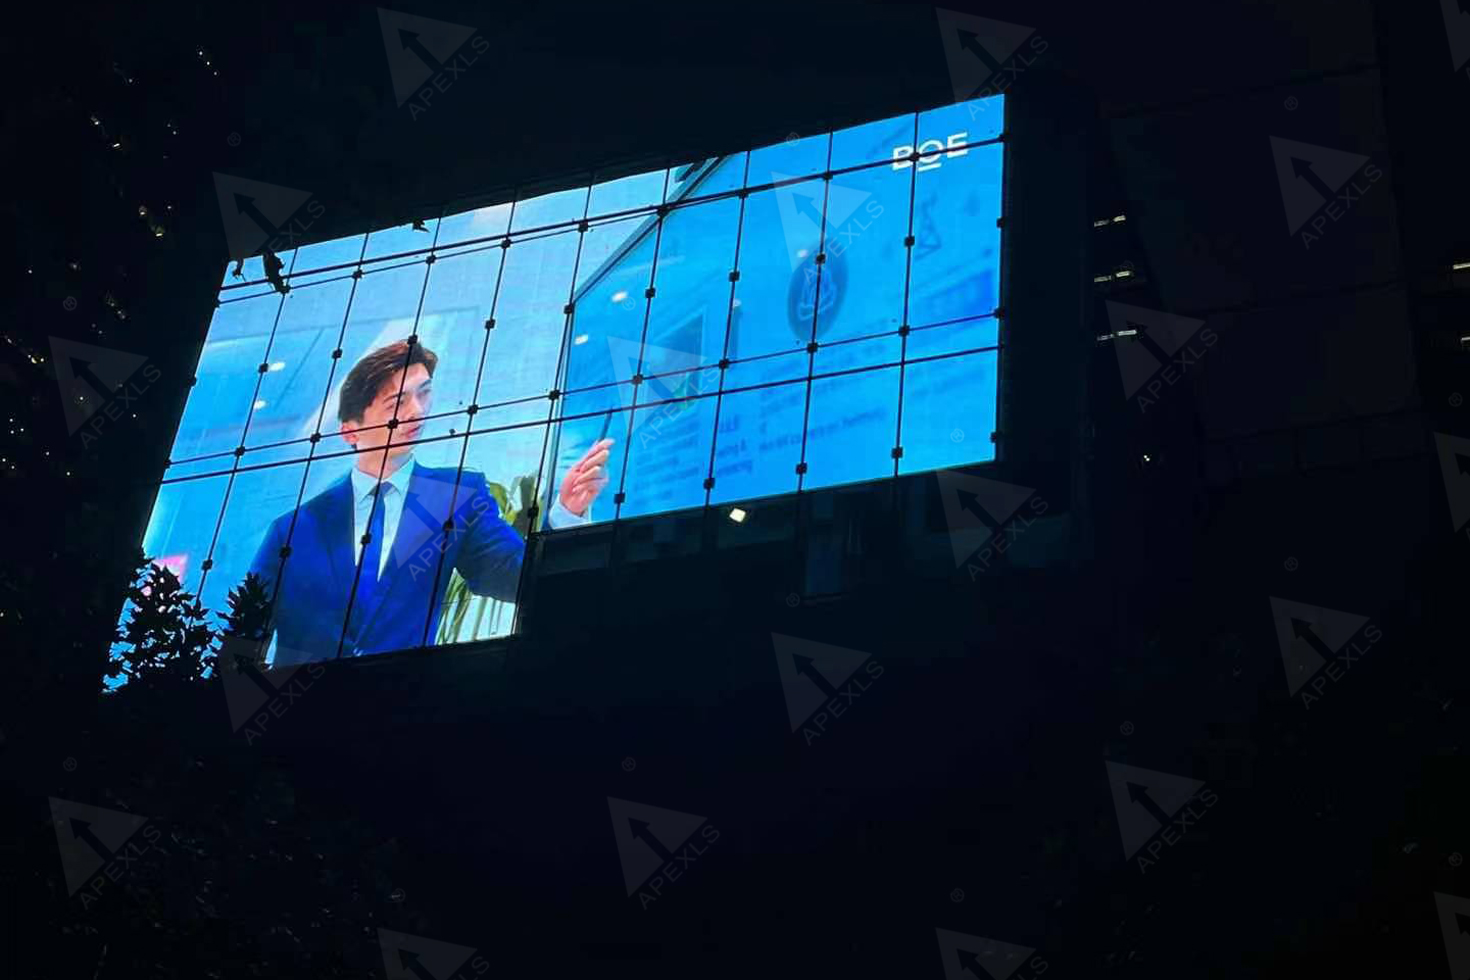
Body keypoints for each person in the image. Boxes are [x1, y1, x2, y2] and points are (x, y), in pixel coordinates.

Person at [247, 339, 611, 664]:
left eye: (423, 394)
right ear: (350, 431)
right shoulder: (291, 530)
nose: (417, 411)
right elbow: (245, 638)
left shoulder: (455, 496)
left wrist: (565, 514)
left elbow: (509, 573)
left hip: (409, 705)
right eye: (398, 402)